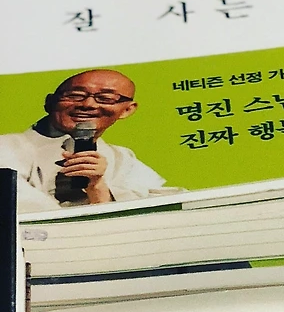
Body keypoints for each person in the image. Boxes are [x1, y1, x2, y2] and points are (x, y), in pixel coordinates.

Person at [0, 69, 169, 212]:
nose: (88, 104)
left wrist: (97, 188)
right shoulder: (7, 147)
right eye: (75, 95)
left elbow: (158, 206)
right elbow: (16, 207)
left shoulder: (122, 158)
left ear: (127, 110)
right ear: (50, 102)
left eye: (105, 98)